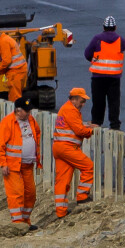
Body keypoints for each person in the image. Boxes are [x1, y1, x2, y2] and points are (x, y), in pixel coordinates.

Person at [0, 97, 39, 229]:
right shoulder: (8, 122)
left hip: (28, 165)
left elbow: (37, 134)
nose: (29, 113)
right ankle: (17, 224)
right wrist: (3, 163)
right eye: (26, 111)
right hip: (13, 166)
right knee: (16, 193)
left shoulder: (31, 120)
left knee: (30, 194)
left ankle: (25, 221)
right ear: (18, 111)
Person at [52, 88, 94, 218]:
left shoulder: (66, 109)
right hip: (67, 148)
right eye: (82, 101)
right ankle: (82, 195)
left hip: (60, 147)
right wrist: (90, 131)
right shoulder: (70, 110)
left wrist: (85, 127)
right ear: (74, 99)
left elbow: (73, 126)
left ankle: (61, 211)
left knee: (62, 180)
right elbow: (79, 130)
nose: (83, 104)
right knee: (88, 166)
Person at [83, 16, 125, 130]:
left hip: (98, 77)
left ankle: (97, 121)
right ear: (115, 27)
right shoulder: (120, 40)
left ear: (104, 27)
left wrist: (95, 59)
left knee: (98, 100)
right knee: (114, 101)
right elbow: (123, 48)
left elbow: (87, 53)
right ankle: (114, 124)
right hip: (114, 77)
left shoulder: (97, 39)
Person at [0, 25, 27, 102]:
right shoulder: (6, 39)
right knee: (16, 94)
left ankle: (15, 112)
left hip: (16, 71)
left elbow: (7, 61)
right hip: (19, 70)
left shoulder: (3, 42)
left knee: (15, 97)